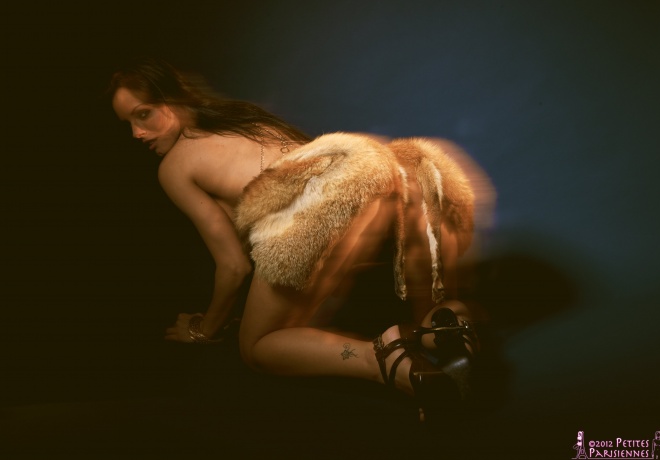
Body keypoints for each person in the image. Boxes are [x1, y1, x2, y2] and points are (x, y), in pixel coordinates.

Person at [110, 57, 488, 421]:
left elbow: (234, 267)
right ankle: (446, 331)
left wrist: (203, 329)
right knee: (425, 311)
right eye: (128, 122)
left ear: (173, 98)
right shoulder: (247, 120)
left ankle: (384, 358)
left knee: (257, 348)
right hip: (381, 166)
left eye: (144, 114)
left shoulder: (174, 167)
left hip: (321, 202)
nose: (136, 133)